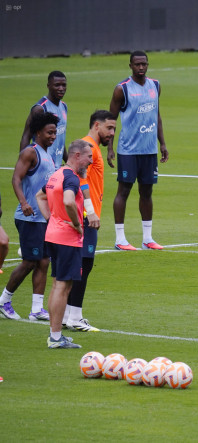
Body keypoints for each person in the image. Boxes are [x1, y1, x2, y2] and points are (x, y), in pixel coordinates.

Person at [35, 139, 95, 349]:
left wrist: (52, 219)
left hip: (54, 235)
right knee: (63, 286)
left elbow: (40, 196)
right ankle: (55, 338)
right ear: (77, 155)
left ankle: (55, 334)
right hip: (67, 239)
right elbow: (69, 201)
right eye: (88, 157)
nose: (90, 161)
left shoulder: (57, 174)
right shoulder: (71, 178)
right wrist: (77, 224)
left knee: (57, 285)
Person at [0, 112, 58, 321]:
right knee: (29, 262)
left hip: (42, 218)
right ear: (38, 132)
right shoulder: (30, 152)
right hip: (29, 217)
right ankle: (4, 300)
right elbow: (16, 178)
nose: (53, 136)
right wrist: (24, 202)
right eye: (49, 132)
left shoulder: (48, 155)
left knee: (43, 261)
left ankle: (36, 309)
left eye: (55, 132)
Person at [107, 50, 168, 251]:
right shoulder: (122, 89)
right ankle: (120, 239)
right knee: (124, 191)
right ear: (130, 66)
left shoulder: (155, 85)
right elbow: (110, 120)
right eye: (137, 64)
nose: (141, 67)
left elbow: (157, 115)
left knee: (147, 192)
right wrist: (110, 148)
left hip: (149, 150)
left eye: (144, 64)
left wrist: (162, 144)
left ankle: (147, 239)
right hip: (128, 150)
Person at [64, 110, 115, 333]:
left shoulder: (91, 146)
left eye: (114, 129)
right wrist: (91, 211)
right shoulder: (89, 147)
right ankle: (75, 316)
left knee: (80, 265)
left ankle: (67, 314)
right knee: (84, 265)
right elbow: (81, 178)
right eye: (109, 128)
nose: (112, 133)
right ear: (96, 125)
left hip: (85, 214)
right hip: (86, 216)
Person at [20, 71, 68, 166]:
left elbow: (60, 138)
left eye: (64, 85)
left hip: (56, 166)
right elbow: (26, 136)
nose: (61, 89)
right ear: (48, 86)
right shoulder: (40, 108)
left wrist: (69, 161)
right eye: (57, 85)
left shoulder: (64, 106)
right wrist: (22, 164)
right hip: (43, 165)